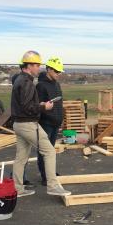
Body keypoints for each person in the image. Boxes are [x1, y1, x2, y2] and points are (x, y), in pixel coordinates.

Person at [11, 50, 71, 197]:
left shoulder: (20, 80)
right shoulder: (27, 83)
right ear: (29, 65)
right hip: (27, 124)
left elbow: (26, 104)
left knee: (21, 157)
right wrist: (44, 106)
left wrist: (40, 104)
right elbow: (27, 107)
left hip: (19, 123)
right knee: (49, 151)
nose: (39, 68)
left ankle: (17, 189)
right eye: (37, 65)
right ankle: (52, 186)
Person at [36, 57, 64, 186]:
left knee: (51, 150)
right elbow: (40, 106)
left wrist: (60, 118)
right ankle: (45, 176)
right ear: (49, 69)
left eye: (59, 72)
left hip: (56, 122)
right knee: (44, 150)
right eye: (56, 71)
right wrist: (50, 117)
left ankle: (51, 173)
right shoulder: (41, 85)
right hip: (46, 123)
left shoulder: (56, 84)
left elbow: (59, 103)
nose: (58, 74)